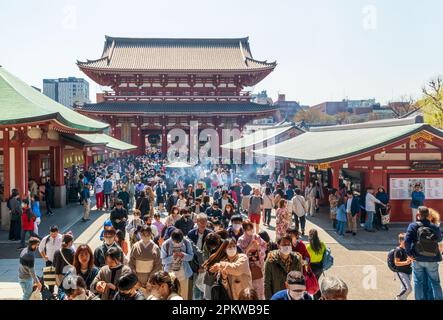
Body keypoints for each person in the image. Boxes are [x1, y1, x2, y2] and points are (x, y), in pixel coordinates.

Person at [405, 206, 443, 300]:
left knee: (418, 282)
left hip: (417, 257)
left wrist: (409, 254)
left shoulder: (413, 226)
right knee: (435, 281)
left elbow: (407, 241)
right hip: (432, 258)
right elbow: (439, 239)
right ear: (428, 215)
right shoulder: (434, 226)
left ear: (418, 215)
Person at [264, 235, 303, 299]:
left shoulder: (297, 259)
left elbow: (300, 281)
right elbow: (267, 284)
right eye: (284, 244)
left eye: (288, 244)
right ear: (278, 245)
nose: (287, 246)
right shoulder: (271, 260)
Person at [128, 225, 162, 297]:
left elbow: (158, 265)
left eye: (148, 234)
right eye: (143, 234)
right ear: (140, 234)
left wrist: (150, 280)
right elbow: (131, 263)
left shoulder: (155, 247)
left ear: (151, 234)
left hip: (151, 280)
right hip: (137, 279)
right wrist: (135, 279)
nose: (146, 236)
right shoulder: (135, 246)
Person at [160, 229, 194, 300]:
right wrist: (172, 257)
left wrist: (183, 255)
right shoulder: (166, 244)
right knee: (170, 296)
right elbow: (163, 261)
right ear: (171, 238)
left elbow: (191, 257)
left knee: (184, 296)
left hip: (183, 274)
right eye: (176, 241)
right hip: (170, 275)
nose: (178, 243)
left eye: (180, 241)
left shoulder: (187, 242)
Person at [237, 220, 267, 299]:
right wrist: (249, 246)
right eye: (248, 229)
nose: (250, 231)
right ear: (244, 230)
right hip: (247, 263)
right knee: (249, 283)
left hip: (258, 262)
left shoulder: (257, 237)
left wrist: (259, 248)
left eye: (251, 228)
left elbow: (264, 246)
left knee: (259, 283)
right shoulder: (241, 239)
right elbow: (240, 253)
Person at [393, 233, 413, 300]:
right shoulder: (398, 250)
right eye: (406, 240)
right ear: (401, 241)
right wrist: (406, 262)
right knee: (408, 288)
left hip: (409, 271)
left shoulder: (408, 249)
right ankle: (397, 297)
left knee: (404, 289)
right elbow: (396, 263)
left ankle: (401, 299)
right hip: (401, 272)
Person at [306, 229, 326, 296]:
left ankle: (314, 295)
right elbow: (324, 254)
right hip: (320, 267)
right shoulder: (322, 244)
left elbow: (306, 259)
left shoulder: (308, 247)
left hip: (312, 267)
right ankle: (319, 296)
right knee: (316, 282)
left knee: (311, 284)